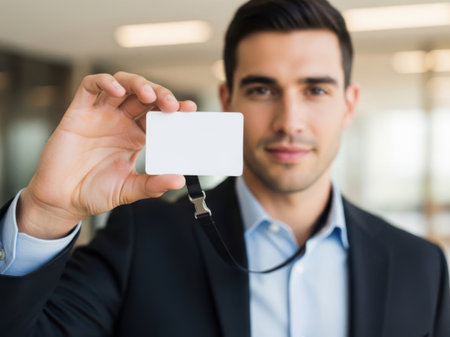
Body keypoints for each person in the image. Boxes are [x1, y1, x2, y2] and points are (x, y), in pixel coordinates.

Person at [0, 0, 449, 336]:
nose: (289, 121)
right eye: (262, 90)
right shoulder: (142, 239)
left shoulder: (421, 265)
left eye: (315, 90)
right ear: (228, 99)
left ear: (349, 105)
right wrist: (47, 211)